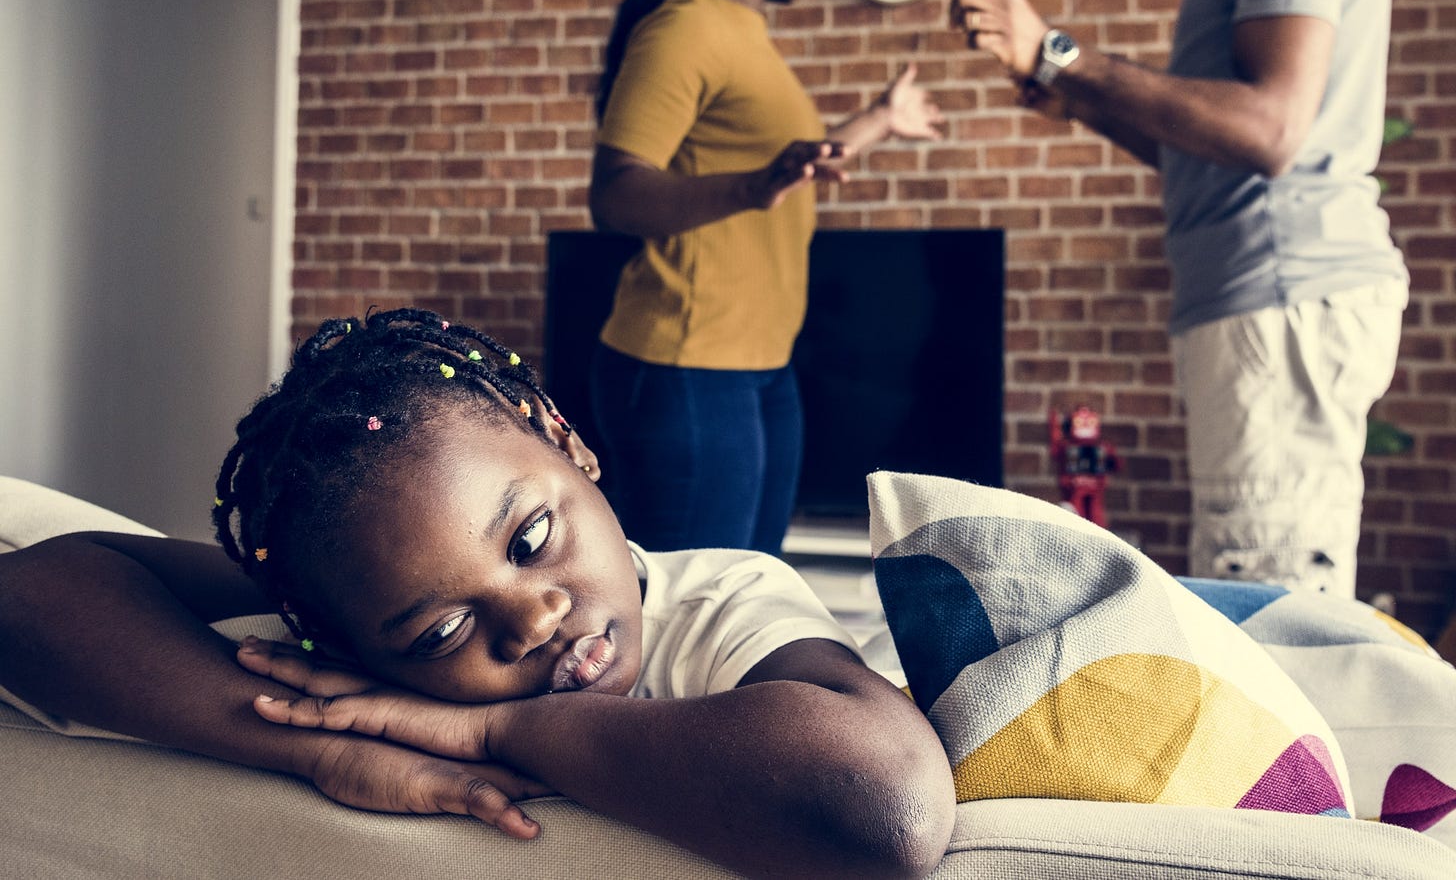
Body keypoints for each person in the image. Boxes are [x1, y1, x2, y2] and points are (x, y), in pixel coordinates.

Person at [0, 308, 955, 879]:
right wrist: (309, 750)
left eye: (533, 537)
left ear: (567, 441)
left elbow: (890, 811)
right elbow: (29, 592)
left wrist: (488, 732)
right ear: (336, 652)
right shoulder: (338, 614)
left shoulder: (720, 600)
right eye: (443, 629)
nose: (535, 615)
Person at [947, 0, 1408, 597]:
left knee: (1269, 616)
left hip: (1279, 295)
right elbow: (1215, 155)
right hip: (1263, 301)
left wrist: (1058, 55)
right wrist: (1083, 100)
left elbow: (1268, 129)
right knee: (1258, 592)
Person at [588, 0, 945, 555]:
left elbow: (790, 167)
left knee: (749, 593)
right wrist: (753, 186)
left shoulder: (742, 33)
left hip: (758, 360)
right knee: (697, 613)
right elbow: (617, 193)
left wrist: (880, 118)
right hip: (687, 364)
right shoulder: (684, 26)